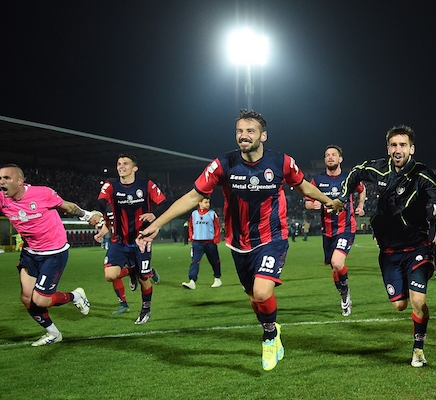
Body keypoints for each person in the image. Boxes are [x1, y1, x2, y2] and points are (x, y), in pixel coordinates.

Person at [136, 109, 340, 371]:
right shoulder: (223, 164)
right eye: (240, 131)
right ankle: (273, 328)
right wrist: (156, 224)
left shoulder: (281, 162)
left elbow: (303, 186)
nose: (244, 136)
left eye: (250, 131)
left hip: (272, 237)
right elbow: (191, 197)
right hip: (238, 242)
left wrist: (327, 201)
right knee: (255, 301)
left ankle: (268, 339)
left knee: (262, 291)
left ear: (263, 135)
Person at [330, 125, 436, 368]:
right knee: (400, 305)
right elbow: (354, 173)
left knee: (417, 301)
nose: (398, 149)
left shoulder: (422, 174)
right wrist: (343, 198)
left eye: (403, 145)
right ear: (388, 148)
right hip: (389, 252)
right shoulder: (378, 169)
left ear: (411, 148)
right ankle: (409, 291)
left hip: (417, 247)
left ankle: (418, 348)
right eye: (394, 145)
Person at [0, 164, 91, 346]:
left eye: (6, 178)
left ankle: (76, 296)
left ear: (20, 181)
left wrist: (87, 215)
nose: (1, 182)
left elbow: (68, 207)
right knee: (26, 297)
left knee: (40, 300)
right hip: (30, 253)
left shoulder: (42, 193)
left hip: (54, 253)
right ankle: (53, 333)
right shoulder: (0, 199)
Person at [90, 154, 166, 323]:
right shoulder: (111, 185)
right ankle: (133, 270)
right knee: (110, 275)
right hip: (119, 241)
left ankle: (146, 309)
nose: (121, 166)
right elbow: (102, 201)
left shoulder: (146, 185)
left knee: (144, 279)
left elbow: (165, 204)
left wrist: (155, 215)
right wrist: (96, 212)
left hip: (141, 241)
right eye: (118, 164)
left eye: (125, 163)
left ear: (134, 168)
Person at [304, 144, 366, 316]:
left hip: (346, 227)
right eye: (327, 155)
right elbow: (308, 201)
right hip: (328, 232)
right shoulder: (317, 180)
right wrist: (312, 205)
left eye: (334, 155)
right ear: (325, 160)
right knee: (334, 268)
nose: (330, 157)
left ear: (340, 159)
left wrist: (361, 205)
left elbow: (362, 189)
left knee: (337, 262)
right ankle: (344, 294)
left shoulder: (349, 178)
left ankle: (345, 296)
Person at [182, 196, 223, 290]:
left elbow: (217, 226)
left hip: (210, 243)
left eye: (208, 202)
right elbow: (191, 226)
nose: (208, 204)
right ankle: (192, 281)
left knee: (215, 261)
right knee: (195, 262)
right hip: (197, 243)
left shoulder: (212, 214)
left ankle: (217, 278)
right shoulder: (194, 214)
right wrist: (191, 237)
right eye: (205, 202)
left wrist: (217, 238)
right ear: (199, 203)